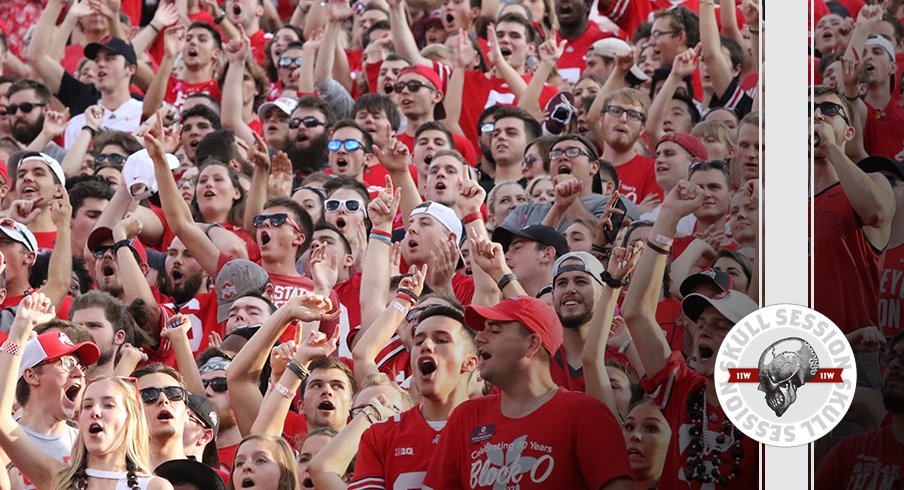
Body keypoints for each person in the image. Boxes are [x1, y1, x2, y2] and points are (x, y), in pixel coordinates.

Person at [423, 295, 633, 489]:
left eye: (495, 330)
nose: (478, 339)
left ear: (532, 344)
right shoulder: (466, 417)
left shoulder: (585, 414)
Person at [0, 292, 172, 490]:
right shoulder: (62, 481)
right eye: (87, 405)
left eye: (108, 405)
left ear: (130, 418)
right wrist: (19, 330)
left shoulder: (155, 486)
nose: (95, 412)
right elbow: (2, 420)